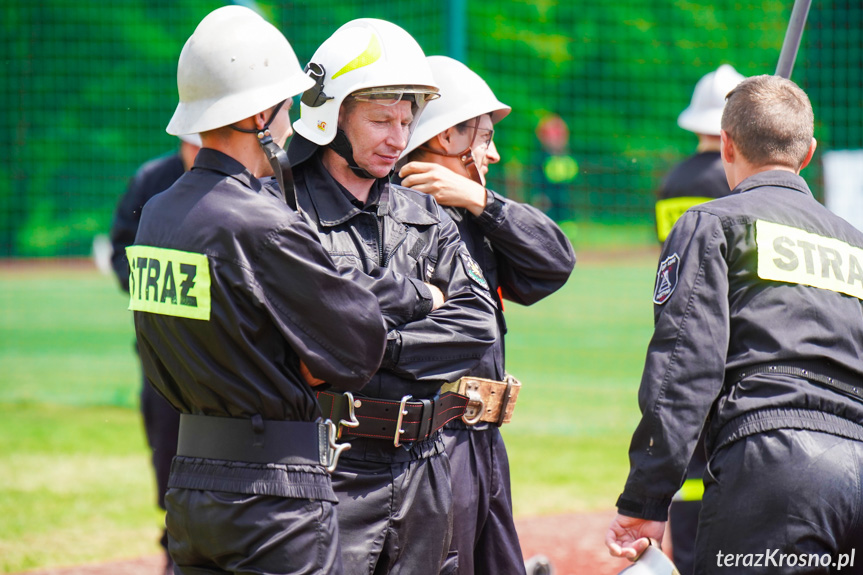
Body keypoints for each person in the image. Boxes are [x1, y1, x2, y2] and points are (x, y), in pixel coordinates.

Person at [130, 7, 435, 574]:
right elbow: (355, 351)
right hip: (274, 495)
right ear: (257, 114)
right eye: (286, 107)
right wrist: (419, 296)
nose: (291, 123)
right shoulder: (260, 222)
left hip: (191, 487)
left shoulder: (157, 215)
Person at [606, 74, 863, 574]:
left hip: (773, 468)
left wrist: (645, 501)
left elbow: (685, 366)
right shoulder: (855, 244)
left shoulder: (712, 223)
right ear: (807, 153)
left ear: (725, 143)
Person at [288, 19, 497, 574]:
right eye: (381, 120)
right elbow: (304, 321)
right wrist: (425, 299)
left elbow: (479, 327)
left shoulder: (424, 213)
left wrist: (370, 341)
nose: (399, 140)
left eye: (407, 121)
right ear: (329, 118)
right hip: (327, 469)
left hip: (426, 469)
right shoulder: (282, 211)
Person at [397, 56, 575, 575]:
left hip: (480, 446)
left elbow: (553, 264)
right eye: (483, 136)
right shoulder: (399, 221)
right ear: (446, 136)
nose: (493, 153)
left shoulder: (472, 218)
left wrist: (483, 202)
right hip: (432, 452)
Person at [653, 63, 744, 575]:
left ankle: (686, 558)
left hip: (679, 327)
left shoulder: (673, 179)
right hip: (731, 336)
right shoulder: (734, 181)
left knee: (686, 458)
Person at [108, 132, 200, 574]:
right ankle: (172, 544)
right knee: (166, 447)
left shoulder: (257, 177)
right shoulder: (153, 179)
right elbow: (122, 248)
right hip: (164, 353)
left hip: (223, 355)